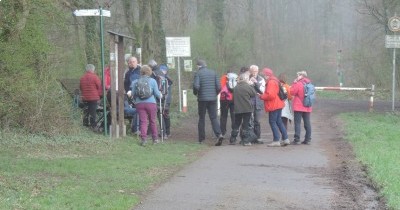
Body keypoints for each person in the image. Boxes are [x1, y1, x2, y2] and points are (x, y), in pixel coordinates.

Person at [193, 59, 224, 145]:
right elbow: (219, 87)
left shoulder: (198, 73)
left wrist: (196, 93)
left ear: (199, 66)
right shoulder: (213, 73)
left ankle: (201, 139)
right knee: (213, 118)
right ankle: (219, 134)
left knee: (202, 118)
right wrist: (214, 94)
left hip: (202, 99)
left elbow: (196, 86)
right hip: (212, 99)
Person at [129, 65, 162, 146]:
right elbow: (157, 94)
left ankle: (144, 139)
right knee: (152, 121)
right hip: (151, 103)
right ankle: (155, 139)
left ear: (141, 72)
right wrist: (161, 95)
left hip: (140, 104)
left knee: (143, 121)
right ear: (149, 72)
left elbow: (132, 94)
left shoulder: (136, 81)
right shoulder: (153, 81)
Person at [259, 68, 290, 147]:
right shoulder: (275, 80)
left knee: (272, 122)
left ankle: (276, 140)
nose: (262, 76)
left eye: (263, 74)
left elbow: (271, 95)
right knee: (279, 121)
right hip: (278, 104)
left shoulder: (271, 82)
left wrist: (261, 96)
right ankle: (285, 139)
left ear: (266, 75)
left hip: (274, 105)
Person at [228, 72, 258, 146]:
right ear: (245, 79)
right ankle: (245, 140)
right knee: (245, 124)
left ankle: (232, 139)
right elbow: (254, 94)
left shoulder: (236, 87)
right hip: (247, 108)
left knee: (236, 124)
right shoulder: (247, 87)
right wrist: (251, 85)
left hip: (237, 109)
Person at [290, 71, 313, 145]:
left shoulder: (298, 84)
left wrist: (294, 83)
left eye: (298, 75)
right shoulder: (310, 84)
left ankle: (297, 139)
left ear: (301, 76)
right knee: (307, 123)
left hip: (298, 106)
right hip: (307, 106)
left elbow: (292, 92)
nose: (297, 76)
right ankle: (308, 139)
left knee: (297, 123)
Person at [80, 64, 102, 129]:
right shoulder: (95, 77)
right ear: (93, 70)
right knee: (93, 112)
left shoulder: (82, 78)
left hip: (85, 98)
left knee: (86, 111)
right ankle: (93, 125)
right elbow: (99, 86)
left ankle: (85, 124)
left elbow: (81, 88)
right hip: (93, 98)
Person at [248, 65, 266, 144]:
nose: (254, 73)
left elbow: (262, 91)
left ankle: (258, 137)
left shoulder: (261, 79)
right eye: (253, 71)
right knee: (249, 121)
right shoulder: (247, 79)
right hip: (249, 103)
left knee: (257, 121)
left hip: (258, 103)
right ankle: (250, 137)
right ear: (250, 71)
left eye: (256, 71)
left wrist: (255, 83)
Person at [124, 56, 141, 134]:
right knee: (135, 111)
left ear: (137, 62)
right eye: (130, 62)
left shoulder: (140, 71)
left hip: (139, 95)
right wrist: (127, 91)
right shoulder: (128, 72)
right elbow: (126, 83)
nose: (132, 63)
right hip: (129, 95)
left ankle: (138, 128)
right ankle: (135, 128)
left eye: (134, 61)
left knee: (139, 111)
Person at [158, 64, 173, 139]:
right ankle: (167, 132)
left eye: (163, 70)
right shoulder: (168, 78)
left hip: (164, 99)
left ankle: (165, 133)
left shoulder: (164, 79)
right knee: (166, 115)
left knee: (163, 115)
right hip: (167, 99)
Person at [219, 70, 235, 137]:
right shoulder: (235, 77)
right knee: (233, 116)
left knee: (223, 116)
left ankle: (222, 132)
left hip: (224, 99)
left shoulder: (223, 77)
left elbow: (220, 88)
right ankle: (234, 132)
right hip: (234, 99)